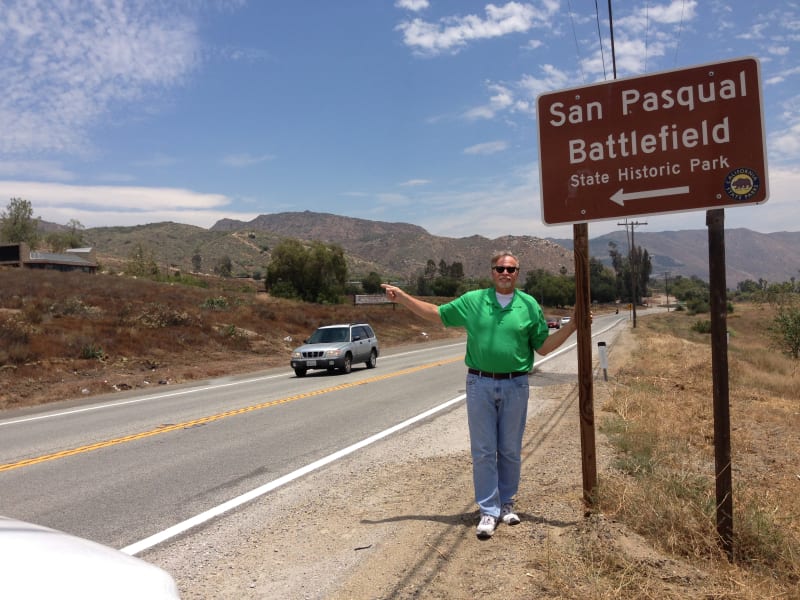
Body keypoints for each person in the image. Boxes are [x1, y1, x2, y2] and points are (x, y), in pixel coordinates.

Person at [381, 251, 582, 539]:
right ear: (492, 272)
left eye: (511, 269)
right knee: (484, 450)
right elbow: (436, 314)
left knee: (510, 449)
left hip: (516, 384)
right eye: (500, 268)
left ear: (517, 274)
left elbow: (544, 347)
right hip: (480, 384)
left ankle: (507, 503)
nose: (505, 273)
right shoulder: (474, 300)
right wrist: (402, 298)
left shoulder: (528, 306)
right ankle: (488, 510)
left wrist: (572, 327)